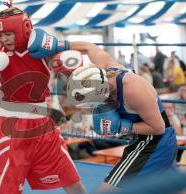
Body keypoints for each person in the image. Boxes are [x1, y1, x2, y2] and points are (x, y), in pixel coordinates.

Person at [0, 6, 86, 194]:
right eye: (0, 34)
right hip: (10, 126)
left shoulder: (43, 48)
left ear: (24, 28)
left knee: (71, 180)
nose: (4, 39)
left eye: (9, 33)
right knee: (6, 189)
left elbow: (78, 54)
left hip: (43, 126)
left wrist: (71, 65)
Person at [26, 28, 177, 193]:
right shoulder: (105, 66)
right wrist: (59, 45)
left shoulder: (133, 89)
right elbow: (89, 46)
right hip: (138, 140)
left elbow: (159, 128)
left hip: (155, 142)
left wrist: (121, 126)